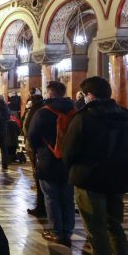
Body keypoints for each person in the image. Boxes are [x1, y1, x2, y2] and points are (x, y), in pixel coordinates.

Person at [61, 77, 128, 255]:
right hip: (118, 178)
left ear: (89, 95)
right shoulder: (127, 116)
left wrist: (74, 168)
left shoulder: (84, 118)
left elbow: (69, 151)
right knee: (115, 226)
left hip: (90, 179)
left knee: (96, 230)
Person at [27, 81, 76, 246]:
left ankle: (56, 231)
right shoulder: (75, 111)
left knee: (51, 197)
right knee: (68, 198)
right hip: (69, 161)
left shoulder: (42, 112)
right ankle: (68, 231)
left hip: (48, 159)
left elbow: (32, 137)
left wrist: (37, 153)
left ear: (50, 93)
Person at [22, 93, 48, 218]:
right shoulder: (47, 111)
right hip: (49, 151)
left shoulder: (34, 113)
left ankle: (42, 207)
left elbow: (27, 130)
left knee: (39, 178)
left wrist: (32, 146)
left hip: (37, 150)